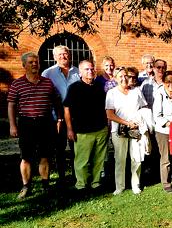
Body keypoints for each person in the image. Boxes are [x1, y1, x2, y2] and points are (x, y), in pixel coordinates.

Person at [8, 52, 60, 199]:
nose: (34, 64)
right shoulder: (17, 84)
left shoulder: (48, 82)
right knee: (26, 157)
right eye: (30, 62)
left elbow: (56, 102)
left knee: (45, 156)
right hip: (26, 123)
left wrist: (59, 120)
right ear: (24, 65)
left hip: (45, 122)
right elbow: (11, 105)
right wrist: (12, 125)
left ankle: (45, 185)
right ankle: (26, 187)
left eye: (36, 61)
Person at [63, 60, 108, 191]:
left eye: (92, 69)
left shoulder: (99, 87)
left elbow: (106, 108)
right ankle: (81, 185)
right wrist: (70, 129)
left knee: (99, 159)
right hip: (82, 131)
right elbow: (67, 109)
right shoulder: (74, 88)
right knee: (82, 160)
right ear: (80, 72)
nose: (90, 71)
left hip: (100, 129)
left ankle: (96, 182)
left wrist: (107, 125)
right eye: (87, 69)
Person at [41, 45, 80, 186]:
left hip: (76, 117)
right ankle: (62, 177)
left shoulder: (77, 72)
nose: (63, 56)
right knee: (59, 149)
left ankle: (77, 175)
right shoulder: (48, 73)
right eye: (60, 55)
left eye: (65, 54)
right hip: (56, 118)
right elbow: (44, 95)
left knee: (77, 147)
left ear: (69, 55)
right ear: (54, 57)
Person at [106, 67, 149, 195]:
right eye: (120, 76)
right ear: (115, 79)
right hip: (118, 130)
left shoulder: (136, 91)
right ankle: (120, 186)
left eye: (126, 76)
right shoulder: (112, 93)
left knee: (136, 157)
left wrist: (139, 121)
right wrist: (127, 123)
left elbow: (144, 107)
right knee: (120, 158)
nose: (124, 78)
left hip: (136, 129)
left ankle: (135, 185)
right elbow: (110, 114)